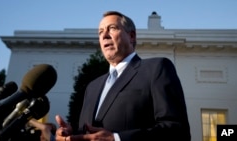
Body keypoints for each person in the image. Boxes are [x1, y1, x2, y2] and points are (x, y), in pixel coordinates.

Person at [55, 11, 191, 141]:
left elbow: (177, 132)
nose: (104, 35)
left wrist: (117, 139)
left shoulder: (156, 68)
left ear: (131, 36)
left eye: (112, 28)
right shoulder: (92, 87)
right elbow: (90, 135)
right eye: (100, 32)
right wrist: (72, 135)